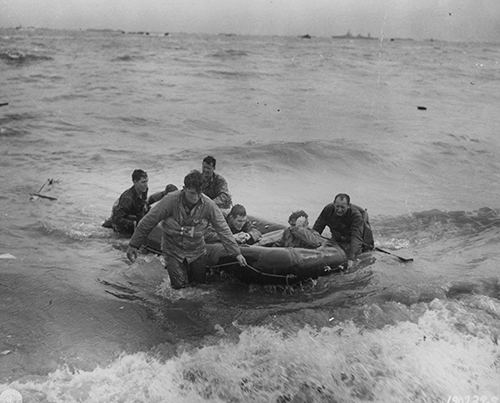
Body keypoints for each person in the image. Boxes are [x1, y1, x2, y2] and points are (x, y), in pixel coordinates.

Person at [126, 170, 247, 289]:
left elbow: (223, 229)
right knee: (179, 288)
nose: (196, 197)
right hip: (173, 249)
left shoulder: (208, 205)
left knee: (198, 287)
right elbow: (149, 221)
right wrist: (134, 244)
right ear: (184, 189)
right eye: (192, 193)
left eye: (199, 193)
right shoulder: (170, 200)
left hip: (196, 250)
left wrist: (236, 253)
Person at [312, 193, 374, 269]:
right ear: (334, 204)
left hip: (359, 241)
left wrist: (351, 259)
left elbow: (356, 238)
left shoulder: (356, 216)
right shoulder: (328, 210)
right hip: (338, 238)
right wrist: (311, 244)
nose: (339, 210)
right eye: (337, 206)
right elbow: (317, 228)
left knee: (356, 255)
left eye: (342, 207)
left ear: (348, 206)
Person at [104, 169, 149, 236]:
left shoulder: (144, 190)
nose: (146, 185)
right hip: (119, 226)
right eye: (143, 182)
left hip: (133, 218)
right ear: (135, 182)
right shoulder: (128, 198)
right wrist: (135, 224)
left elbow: (143, 204)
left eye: (146, 181)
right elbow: (117, 219)